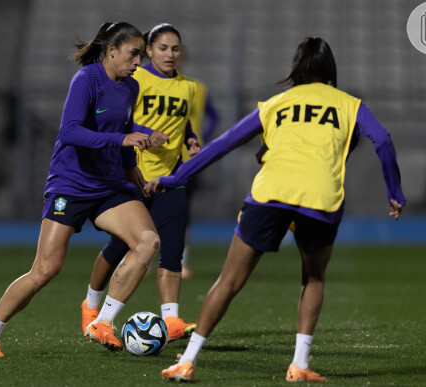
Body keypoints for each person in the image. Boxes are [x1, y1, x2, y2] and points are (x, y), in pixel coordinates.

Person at [153, 37, 406, 382]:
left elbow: (225, 143)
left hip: (271, 192)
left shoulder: (277, 103)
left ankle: (188, 360)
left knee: (228, 281)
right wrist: (395, 191)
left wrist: (175, 177)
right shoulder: (350, 104)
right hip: (320, 197)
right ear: (331, 69)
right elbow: (383, 140)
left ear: (296, 67)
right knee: (314, 277)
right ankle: (299, 365)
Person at [0, 22, 160, 356]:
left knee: (147, 242)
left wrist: (134, 174)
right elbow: (70, 132)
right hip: (71, 184)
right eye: (134, 54)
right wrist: (122, 139)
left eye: (141, 56)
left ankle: (104, 321)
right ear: (112, 50)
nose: (138, 62)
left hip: (110, 185)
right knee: (45, 270)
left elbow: (125, 132)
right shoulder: (86, 80)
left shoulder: (131, 87)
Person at [80, 23, 201, 345]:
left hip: (171, 176)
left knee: (171, 247)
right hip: (134, 174)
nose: (170, 54)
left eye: (175, 48)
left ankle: (172, 319)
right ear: (148, 50)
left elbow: (182, 118)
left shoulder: (188, 86)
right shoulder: (136, 79)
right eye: (163, 48)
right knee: (121, 245)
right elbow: (119, 116)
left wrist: (189, 137)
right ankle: (91, 306)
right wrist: (146, 134)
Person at [176, 48, 220, 279]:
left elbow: (214, 115)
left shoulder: (196, 88)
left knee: (182, 211)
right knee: (146, 210)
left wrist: (203, 138)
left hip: (188, 159)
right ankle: (141, 261)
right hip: (154, 157)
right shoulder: (149, 84)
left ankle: (180, 262)